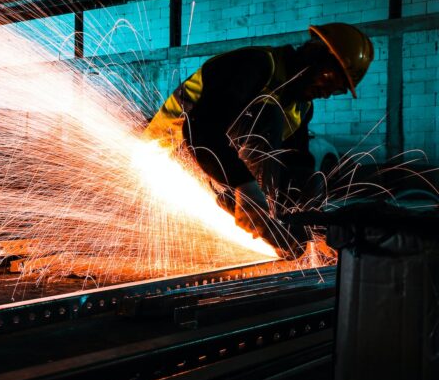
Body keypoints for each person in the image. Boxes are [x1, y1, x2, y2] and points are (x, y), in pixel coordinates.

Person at [144, 23, 374, 256]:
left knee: (304, 202)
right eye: (329, 79)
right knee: (266, 113)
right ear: (313, 54)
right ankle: (244, 205)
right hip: (172, 155)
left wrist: (312, 226)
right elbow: (201, 132)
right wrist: (244, 186)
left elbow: (297, 165)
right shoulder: (255, 65)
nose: (326, 92)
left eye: (336, 89)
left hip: (212, 163)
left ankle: (272, 221)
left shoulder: (302, 107)